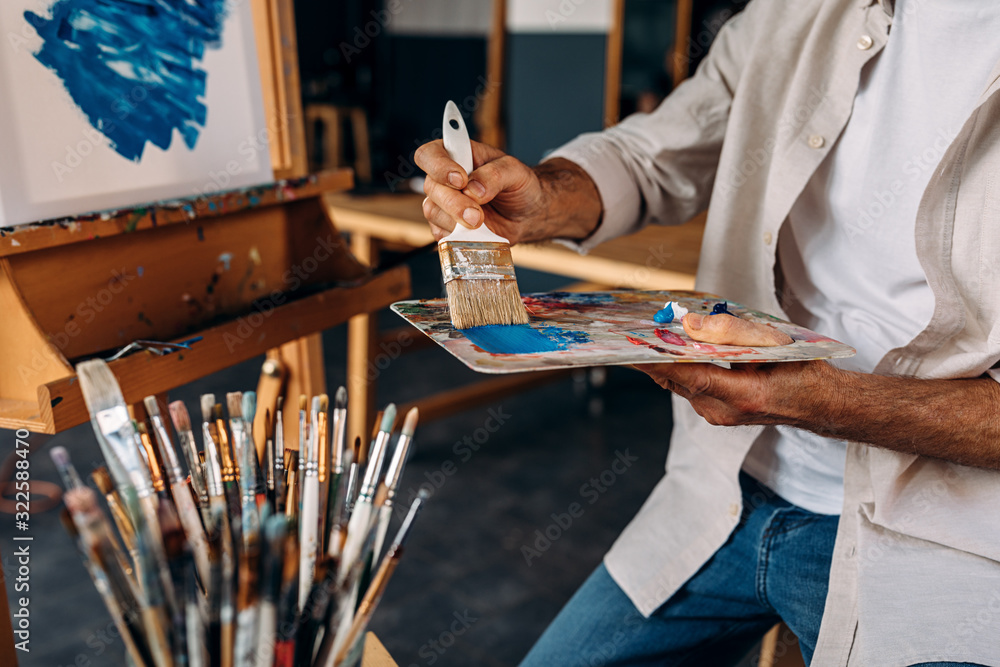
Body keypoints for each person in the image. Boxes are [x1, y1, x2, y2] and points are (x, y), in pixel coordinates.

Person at [415, 0, 1000, 664]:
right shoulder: (794, 12)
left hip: (947, 542)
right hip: (723, 489)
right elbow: (653, 152)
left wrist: (818, 401)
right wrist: (545, 195)